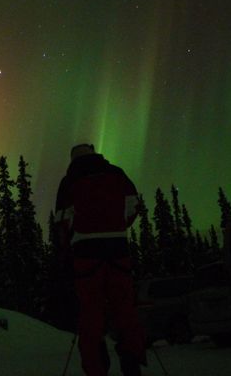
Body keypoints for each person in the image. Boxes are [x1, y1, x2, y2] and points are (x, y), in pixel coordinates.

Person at [55, 143, 146, 376]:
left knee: (90, 314)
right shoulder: (116, 173)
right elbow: (134, 205)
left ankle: (96, 368)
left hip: (85, 254)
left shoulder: (69, 181)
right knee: (124, 308)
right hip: (117, 250)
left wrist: (71, 244)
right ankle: (132, 363)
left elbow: (62, 221)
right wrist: (117, 226)